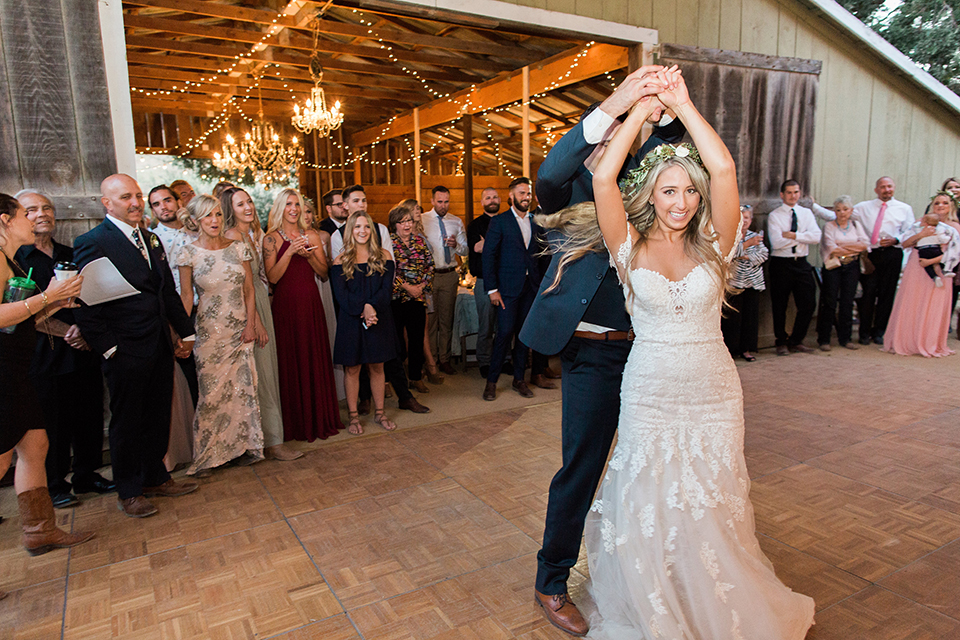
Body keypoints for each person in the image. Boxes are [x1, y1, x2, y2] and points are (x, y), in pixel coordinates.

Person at [582, 67, 814, 638]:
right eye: (669, 190)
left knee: (711, 501)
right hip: (650, 391)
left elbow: (724, 167)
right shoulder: (628, 247)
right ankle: (657, 602)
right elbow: (604, 176)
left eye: (689, 190)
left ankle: (712, 601)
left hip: (712, 391)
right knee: (650, 501)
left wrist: (682, 105)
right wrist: (642, 104)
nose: (682, 201)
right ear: (651, 196)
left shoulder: (716, 243)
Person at [520, 65, 687, 635]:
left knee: (653, 466)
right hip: (589, 355)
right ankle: (551, 580)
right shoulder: (567, 189)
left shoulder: (644, 194)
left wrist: (663, 106)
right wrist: (619, 101)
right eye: (606, 142)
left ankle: (646, 571)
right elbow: (553, 167)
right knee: (583, 466)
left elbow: (673, 161)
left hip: (649, 353)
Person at [73, 174, 199, 518]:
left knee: (158, 413)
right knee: (127, 421)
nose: (135, 202)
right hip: (124, 348)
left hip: (159, 341)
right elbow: (84, 304)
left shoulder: (150, 238)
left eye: (138, 195)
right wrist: (109, 348)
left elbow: (166, 292)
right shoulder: (92, 241)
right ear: (107, 203)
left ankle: (155, 476)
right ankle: (128, 489)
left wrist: (185, 332)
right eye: (126, 196)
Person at [0, 193, 94, 572]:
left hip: (16, 369)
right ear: (4, 220)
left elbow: (18, 320)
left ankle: (39, 528)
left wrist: (55, 303)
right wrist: (48, 296)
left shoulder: (7, 259)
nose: (31, 219)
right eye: (24, 213)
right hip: (2, 371)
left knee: (35, 443)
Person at [14, 191, 112, 508]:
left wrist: (84, 331)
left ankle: (87, 474)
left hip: (82, 349)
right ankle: (54, 484)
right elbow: (19, 313)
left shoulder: (71, 253)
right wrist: (66, 331)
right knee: (50, 422)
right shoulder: (16, 262)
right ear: (18, 217)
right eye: (32, 210)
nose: (42, 214)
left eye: (47, 208)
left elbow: (90, 298)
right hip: (43, 355)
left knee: (88, 413)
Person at [175, 195, 265, 476]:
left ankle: (242, 448)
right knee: (211, 395)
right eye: (207, 216)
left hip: (240, 330)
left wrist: (250, 324)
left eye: (216, 214)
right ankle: (208, 455)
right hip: (209, 334)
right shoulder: (188, 253)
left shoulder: (239, 248)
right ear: (196, 221)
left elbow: (249, 290)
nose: (214, 221)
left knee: (243, 391)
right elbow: (187, 296)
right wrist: (182, 333)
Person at [222, 187, 303, 461]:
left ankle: (264, 440)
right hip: (250, 307)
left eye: (249, 201)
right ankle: (272, 443)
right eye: (240, 204)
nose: (248, 207)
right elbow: (244, 285)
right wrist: (255, 321)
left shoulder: (248, 234)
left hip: (258, 301)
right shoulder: (233, 236)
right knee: (263, 375)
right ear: (229, 210)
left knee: (263, 374)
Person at [263, 188, 342, 441]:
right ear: (279, 208)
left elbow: (323, 273)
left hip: (310, 303)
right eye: (288, 204)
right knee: (290, 360)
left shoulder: (311, 235)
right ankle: (295, 423)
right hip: (285, 307)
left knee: (313, 356)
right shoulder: (271, 240)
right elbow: (272, 278)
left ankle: (319, 419)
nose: (294, 209)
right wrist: (289, 251)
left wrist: (308, 256)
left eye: (296, 204)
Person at [331, 211, 399, 434]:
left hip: (378, 318)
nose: (362, 231)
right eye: (357, 226)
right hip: (351, 320)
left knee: (378, 367)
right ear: (350, 230)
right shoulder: (340, 261)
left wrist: (371, 307)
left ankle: (380, 413)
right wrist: (364, 308)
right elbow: (342, 297)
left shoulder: (385, 256)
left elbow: (386, 290)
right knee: (352, 368)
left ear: (372, 230)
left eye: (367, 226)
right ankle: (353, 417)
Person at [482, 177, 546, 400]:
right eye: (521, 193)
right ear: (511, 196)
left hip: (530, 288)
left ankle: (519, 379)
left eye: (528, 193)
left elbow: (539, 254)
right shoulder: (499, 222)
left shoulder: (536, 221)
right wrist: (492, 289)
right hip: (507, 289)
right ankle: (491, 382)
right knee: (504, 334)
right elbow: (489, 256)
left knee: (524, 336)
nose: (526, 197)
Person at [883, 194, 960, 357]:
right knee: (913, 302)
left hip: (940, 267)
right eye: (937, 203)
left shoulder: (954, 228)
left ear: (950, 206)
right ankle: (908, 341)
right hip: (916, 266)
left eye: (945, 203)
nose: (941, 206)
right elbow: (904, 244)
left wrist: (932, 260)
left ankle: (930, 343)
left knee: (934, 306)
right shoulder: (919, 224)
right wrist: (921, 234)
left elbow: (956, 253)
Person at [147, 184, 200, 406]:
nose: (163, 207)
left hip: (208, 307)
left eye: (167, 200)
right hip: (178, 313)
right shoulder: (152, 240)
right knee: (189, 375)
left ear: (178, 202)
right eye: (156, 204)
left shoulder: (198, 231)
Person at [854, 177, 915, 345]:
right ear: (876, 190)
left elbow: (910, 231)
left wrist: (897, 239)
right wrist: (813, 207)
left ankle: (880, 331)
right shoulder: (863, 207)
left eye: (889, 186)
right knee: (868, 293)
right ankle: (864, 332)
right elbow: (839, 213)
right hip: (871, 255)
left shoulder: (904, 208)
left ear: (894, 188)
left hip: (892, 254)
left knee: (887, 294)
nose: (886, 190)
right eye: (882, 187)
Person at [767, 179, 821, 355]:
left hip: (801, 261)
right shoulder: (775, 215)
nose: (793, 196)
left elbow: (816, 237)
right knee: (780, 304)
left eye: (796, 192)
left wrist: (793, 235)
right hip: (781, 263)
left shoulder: (806, 214)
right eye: (789, 192)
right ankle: (780, 341)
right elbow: (777, 242)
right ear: (782, 195)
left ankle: (796, 340)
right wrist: (803, 236)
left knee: (808, 304)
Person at [421, 186, 467, 374]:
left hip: (449, 274)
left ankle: (444, 359)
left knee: (447, 320)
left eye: (446, 201)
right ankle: (430, 360)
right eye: (439, 201)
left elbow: (465, 250)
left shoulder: (456, 221)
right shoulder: (422, 220)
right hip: (430, 276)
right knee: (431, 320)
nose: (443, 205)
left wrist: (456, 245)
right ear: (432, 201)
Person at [389, 204, 433, 395]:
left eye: (409, 221)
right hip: (396, 298)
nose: (407, 225)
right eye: (402, 221)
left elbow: (430, 266)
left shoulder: (420, 242)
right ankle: (397, 380)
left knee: (417, 339)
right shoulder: (388, 243)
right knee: (397, 341)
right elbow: (387, 270)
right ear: (394, 224)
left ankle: (416, 378)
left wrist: (420, 287)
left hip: (418, 297)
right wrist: (407, 287)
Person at [817, 196, 869, 350]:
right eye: (838, 210)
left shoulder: (856, 225)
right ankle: (824, 339)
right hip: (834, 266)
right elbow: (833, 248)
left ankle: (845, 338)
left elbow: (865, 245)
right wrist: (853, 247)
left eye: (845, 209)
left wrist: (845, 248)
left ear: (851, 211)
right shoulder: (829, 226)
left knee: (848, 301)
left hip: (852, 266)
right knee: (830, 301)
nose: (842, 213)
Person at [403, 198, 444, 385]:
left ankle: (426, 365)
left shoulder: (421, 233)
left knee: (423, 329)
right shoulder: (399, 236)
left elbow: (429, 263)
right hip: (405, 290)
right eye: (414, 209)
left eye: (418, 209)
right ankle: (425, 365)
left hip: (423, 287)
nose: (418, 211)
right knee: (411, 331)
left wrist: (423, 285)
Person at [721, 204, 768, 361]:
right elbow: (728, 254)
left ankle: (746, 349)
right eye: (741, 217)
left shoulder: (756, 236)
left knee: (750, 318)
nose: (744, 221)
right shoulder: (728, 236)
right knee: (732, 319)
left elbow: (763, 255)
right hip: (733, 283)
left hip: (752, 283)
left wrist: (744, 256)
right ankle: (730, 351)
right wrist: (746, 246)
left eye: (747, 217)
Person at [467, 187, 501, 377]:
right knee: (486, 325)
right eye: (488, 197)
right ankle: (485, 362)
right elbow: (478, 247)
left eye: (495, 196)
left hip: (505, 281)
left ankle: (503, 360)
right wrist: (498, 243)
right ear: (482, 202)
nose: (492, 200)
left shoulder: (506, 221)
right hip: (483, 281)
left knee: (504, 325)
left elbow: (486, 246)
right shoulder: (475, 225)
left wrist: (488, 243)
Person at [914, 212, 954, 285]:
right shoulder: (937, 229)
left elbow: (914, 237)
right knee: (942, 260)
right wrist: (948, 238)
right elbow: (942, 239)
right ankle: (945, 271)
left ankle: (934, 277)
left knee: (927, 266)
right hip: (935, 248)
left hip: (923, 249)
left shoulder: (919, 229)